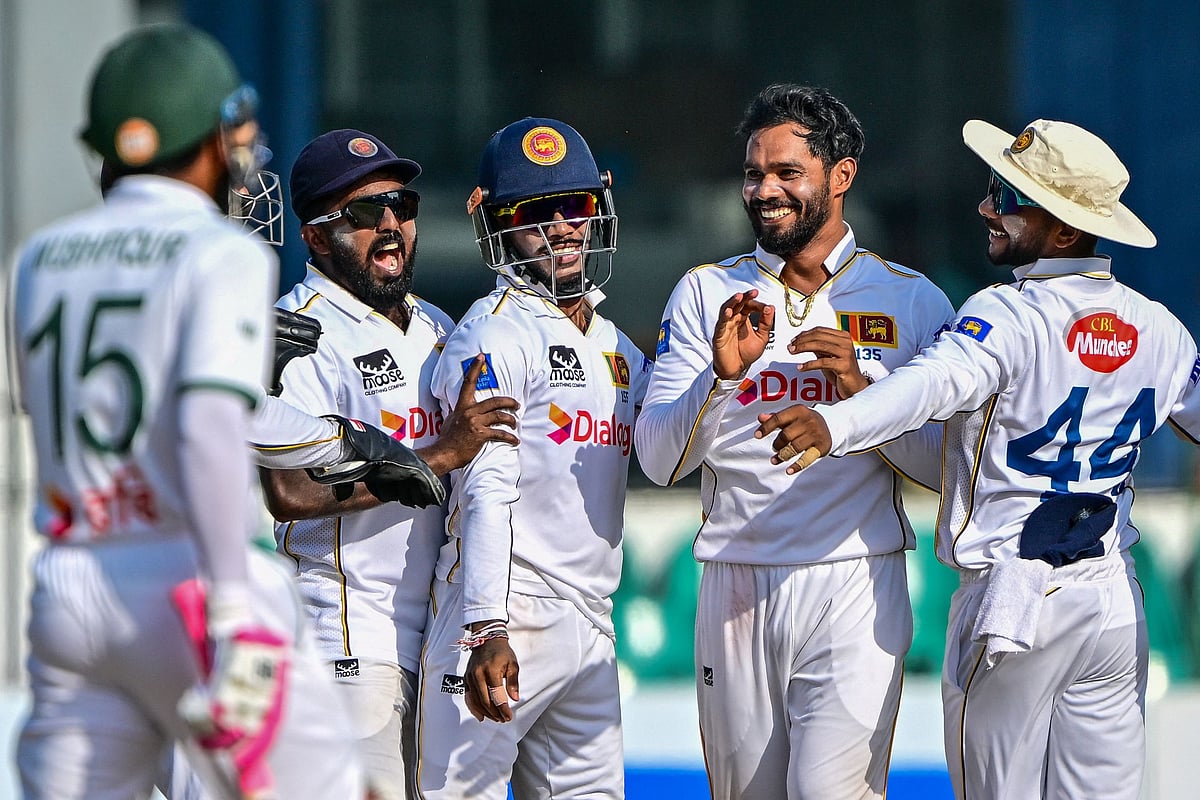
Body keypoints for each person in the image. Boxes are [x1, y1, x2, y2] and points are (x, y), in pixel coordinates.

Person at [756, 118, 1191, 800]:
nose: (987, 206)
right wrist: (860, 394)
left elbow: (929, 385)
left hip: (1014, 597)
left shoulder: (1007, 313)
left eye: (1008, 196)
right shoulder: (1162, 328)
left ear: (1065, 231)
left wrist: (835, 423)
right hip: (1111, 600)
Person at [8, 24, 386, 800]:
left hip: (70, 581)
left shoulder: (39, 258)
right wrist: (233, 611)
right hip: (188, 579)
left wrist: (330, 438)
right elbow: (211, 425)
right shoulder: (222, 251)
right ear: (207, 136)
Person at [633, 83, 954, 800]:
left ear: (841, 175)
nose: (764, 191)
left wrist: (863, 394)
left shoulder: (912, 299)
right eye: (754, 174)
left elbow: (947, 468)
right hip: (736, 577)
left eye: (786, 172)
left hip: (856, 579)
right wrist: (720, 379)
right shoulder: (705, 292)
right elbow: (657, 461)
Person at [257, 128, 520, 800]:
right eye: (364, 213)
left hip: (436, 646)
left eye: (401, 205)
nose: (390, 225)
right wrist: (437, 455)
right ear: (316, 237)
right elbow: (289, 491)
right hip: (347, 645)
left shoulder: (439, 326)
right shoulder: (297, 329)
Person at [414, 117, 650, 800]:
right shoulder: (493, 332)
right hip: (502, 612)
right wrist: (486, 627)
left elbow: (671, 443)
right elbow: (487, 488)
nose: (562, 228)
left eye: (575, 204)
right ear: (496, 223)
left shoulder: (617, 347)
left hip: (591, 619)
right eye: (534, 213)